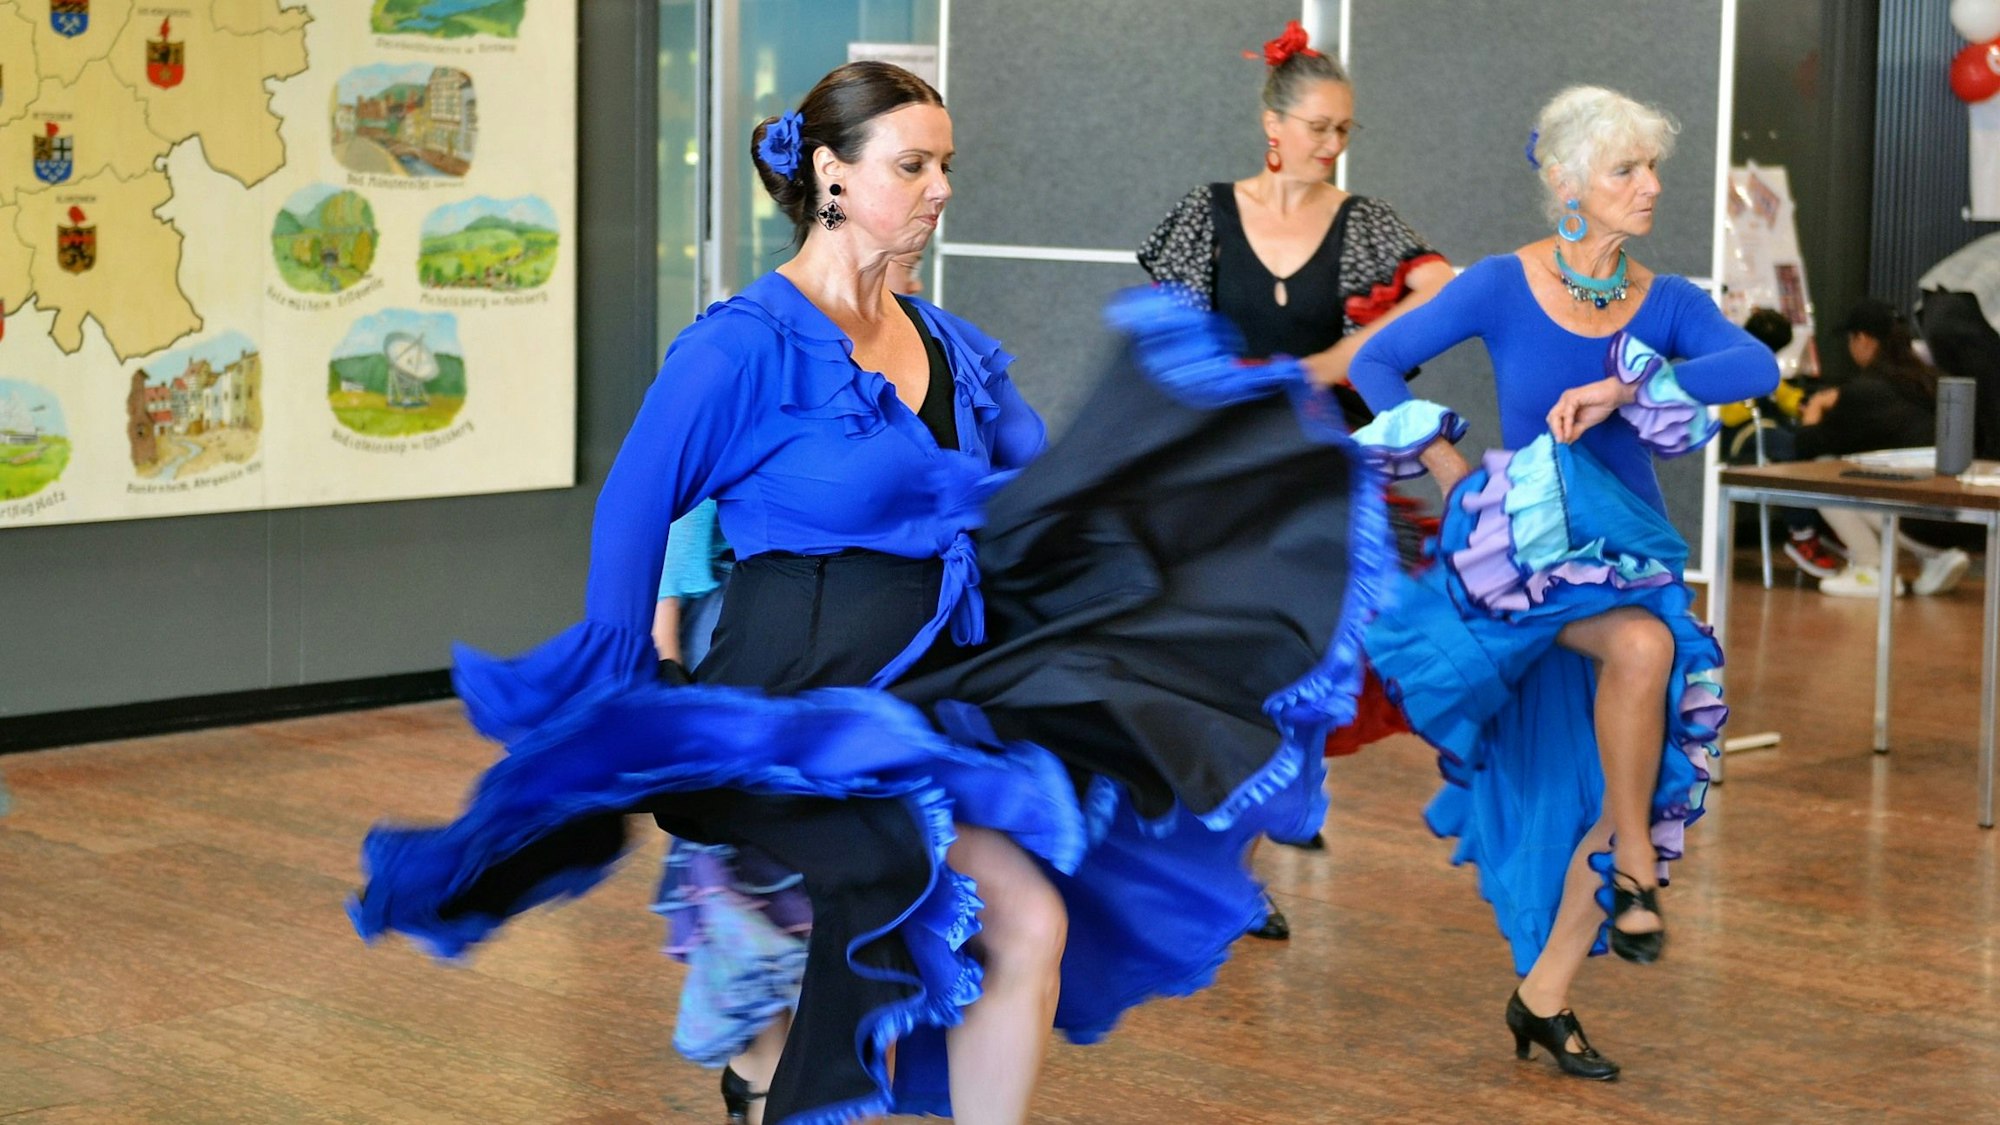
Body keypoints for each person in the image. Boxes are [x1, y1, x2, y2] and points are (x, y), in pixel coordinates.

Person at [351, 61, 1390, 1125]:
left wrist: (1250, 448)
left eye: (946, 164)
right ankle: (795, 1093)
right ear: (831, 175)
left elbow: (1052, 492)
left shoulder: (947, 349)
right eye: (912, 164)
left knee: (1026, 921)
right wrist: (629, 694)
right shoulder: (743, 347)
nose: (940, 187)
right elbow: (631, 509)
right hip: (770, 720)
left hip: (914, 716)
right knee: (890, 880)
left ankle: (788, 1082)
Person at [1343, 85, 1777, 1079]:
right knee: (1642, 650)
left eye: (1649, 168)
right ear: (1570, 185)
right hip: (1523, 561)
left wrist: (1629, 384)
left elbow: (1750, 363)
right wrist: (1447, 468)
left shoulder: (1660, 300)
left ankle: (1543, 994)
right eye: (1626, 170)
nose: (1649, 187)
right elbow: (1379, 364)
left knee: (1639, 747)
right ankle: (1630, 868)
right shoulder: (1500, 283)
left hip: (1629, 555)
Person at [1138, 19, 1455, 939]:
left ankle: (1241, 861)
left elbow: (1446, 289)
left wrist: (1336, 360)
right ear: (1272, 124)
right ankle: (1219, 868)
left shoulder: (1364, 225)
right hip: (1222, 482)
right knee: (1224, 679)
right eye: (1319, 126)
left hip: (1323, 483)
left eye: (1344, 129)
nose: (1331, 143)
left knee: (1298, 678)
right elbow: (1166, 340)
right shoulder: (1205, 215)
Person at [1797, 298, 1972, 598]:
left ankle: (1872, 570)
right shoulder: (1934, 382)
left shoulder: (1863, 393)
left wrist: (1814, 410)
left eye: (1851, 339)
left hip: (1914, 522)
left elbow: (1806, 447)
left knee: (1822, 471)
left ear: (1863, 339)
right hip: (1961, 519)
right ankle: (1935, 558)